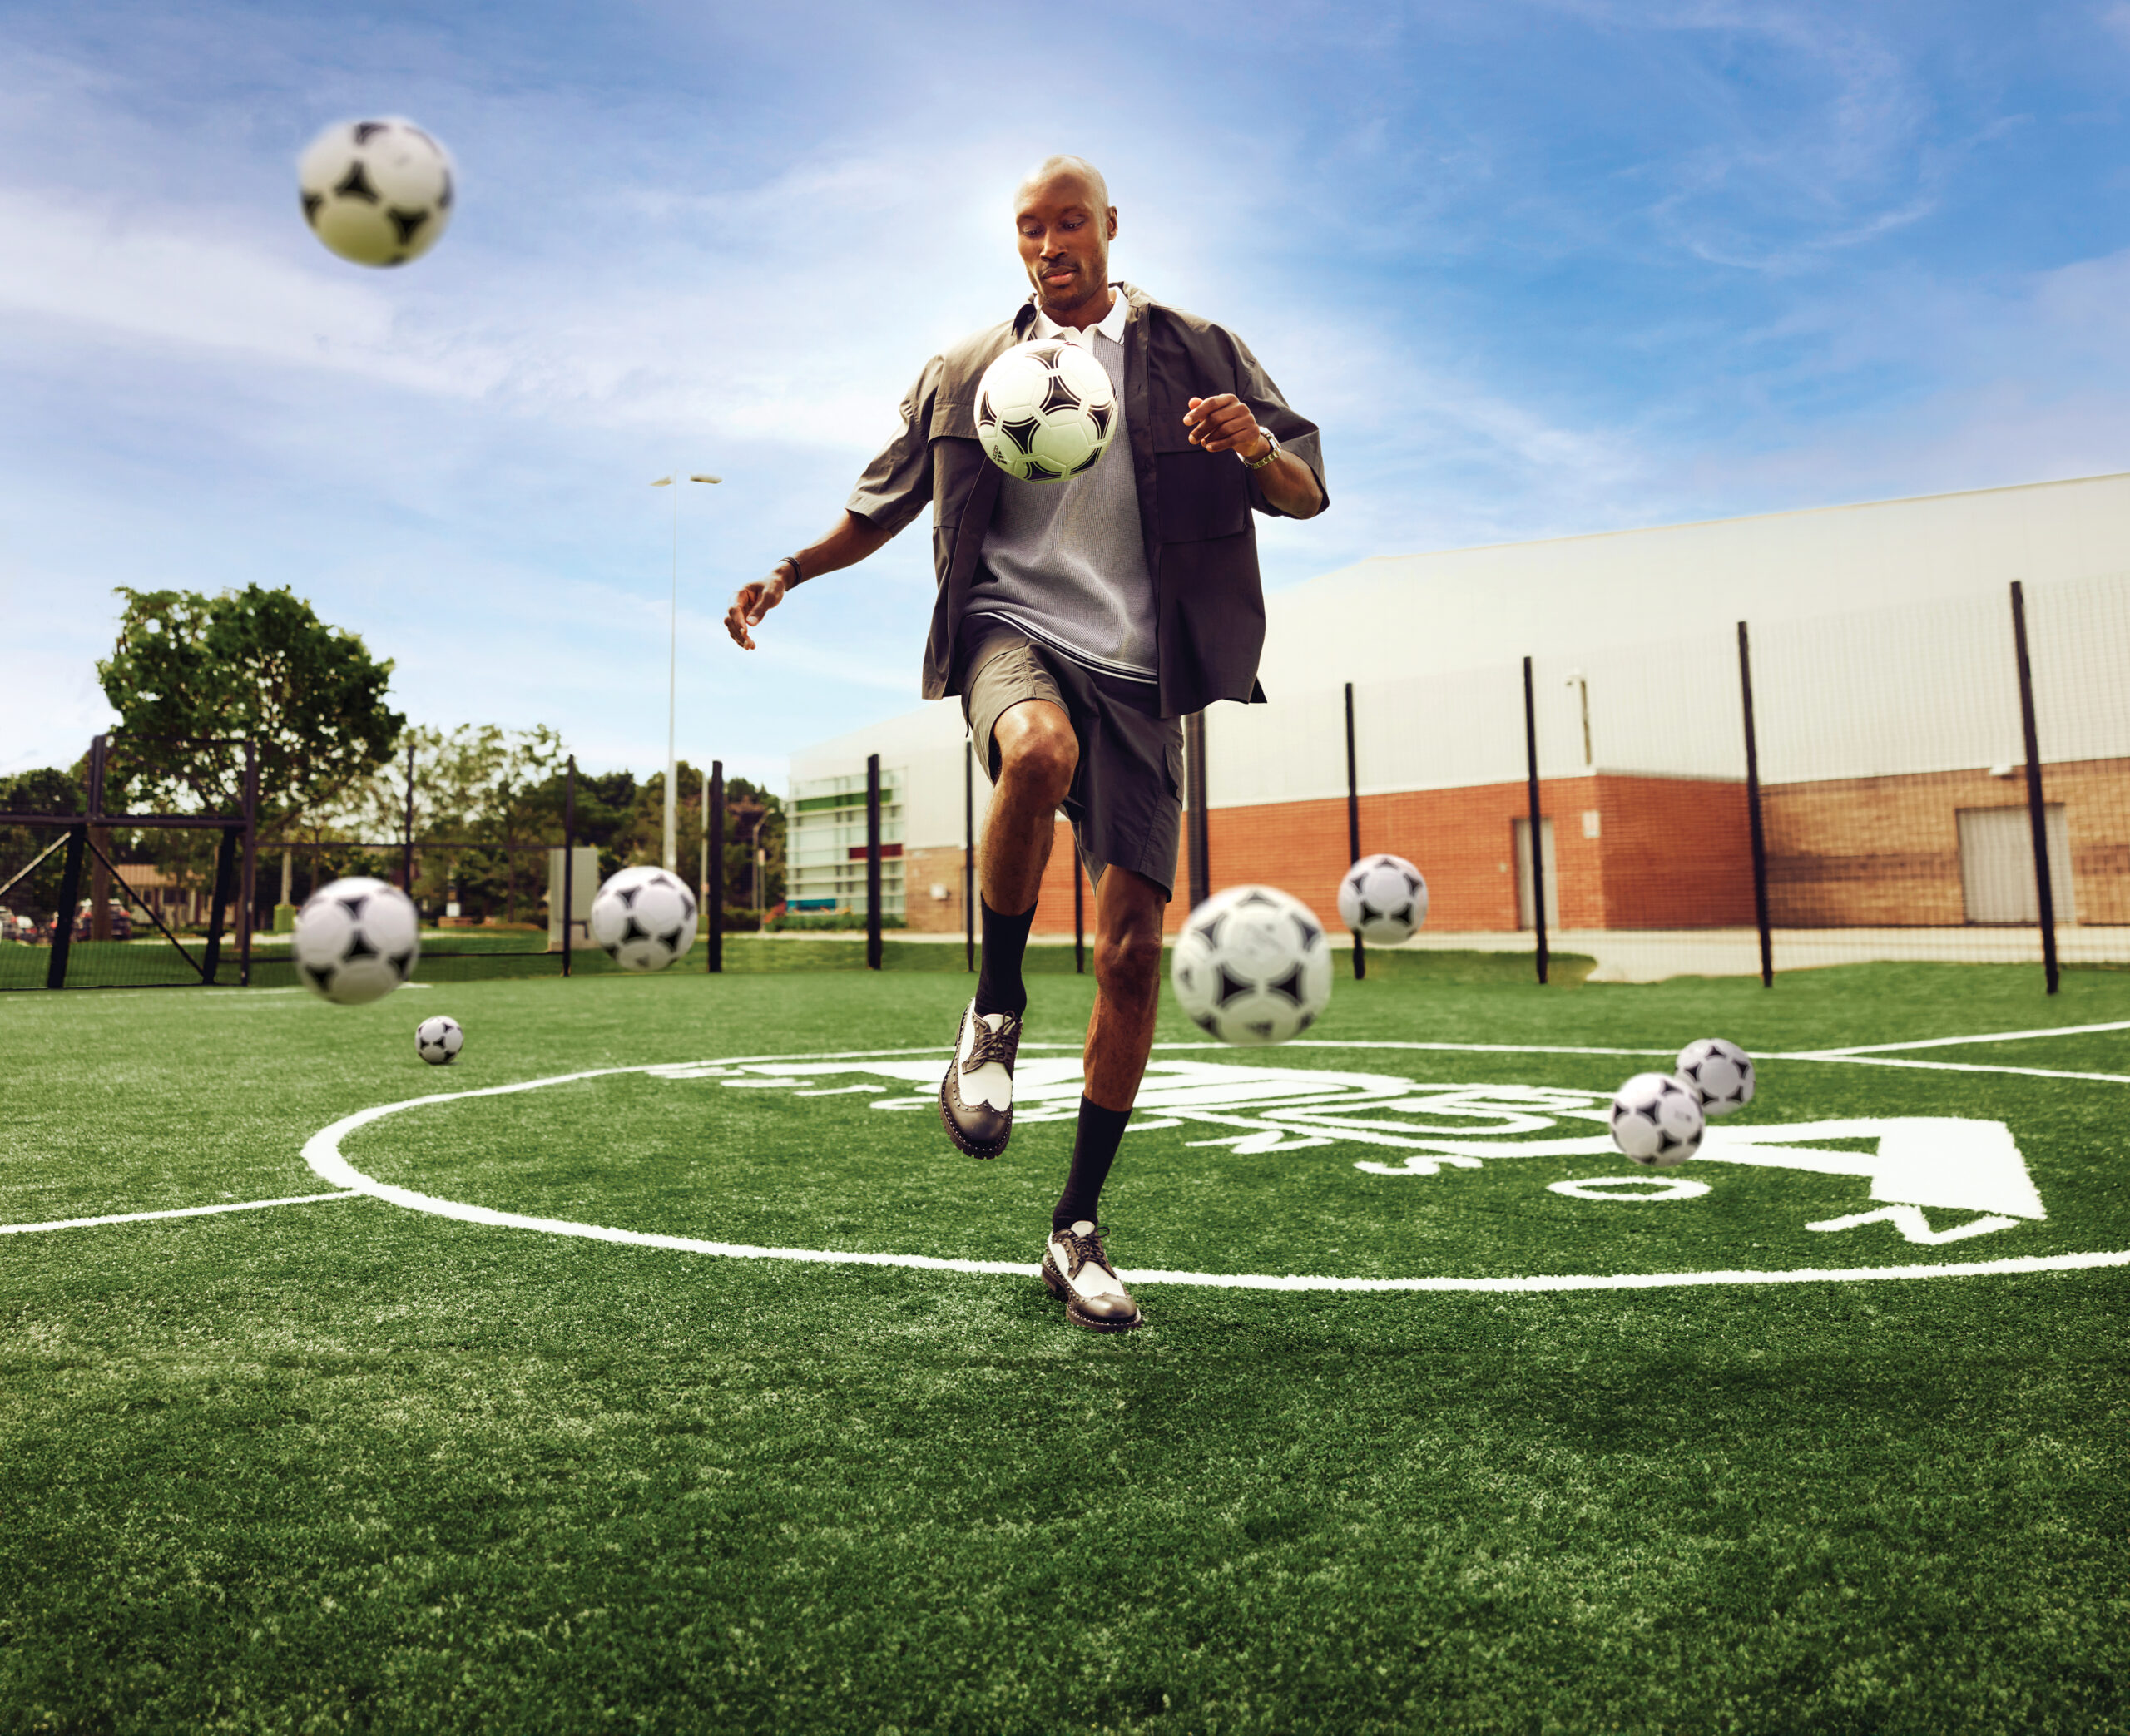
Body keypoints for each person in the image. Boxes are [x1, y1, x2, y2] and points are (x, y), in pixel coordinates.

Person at [724, 155, 1326, 1332]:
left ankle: (1076, 1229)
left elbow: (1304, 493)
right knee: (1037, 753)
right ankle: (994, 1009)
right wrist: (789, 571)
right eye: (1029, 229)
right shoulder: (967, 373)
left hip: (1147, 672)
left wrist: (1252, 444)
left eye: (1070, 223)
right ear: (1016, 243)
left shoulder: (1199, 351)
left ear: (1111, 227)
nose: (1051, 245)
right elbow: (882, 502)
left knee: (1131, 956)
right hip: (1014, 632)